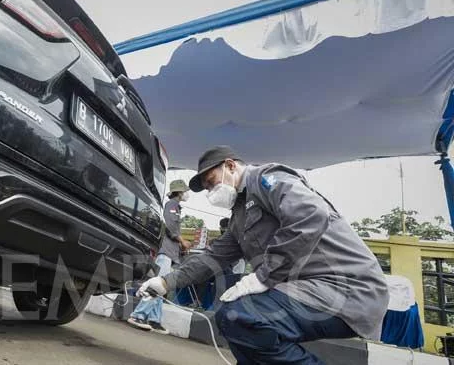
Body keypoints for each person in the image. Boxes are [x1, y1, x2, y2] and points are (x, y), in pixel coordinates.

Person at [138, 146, 389, 364]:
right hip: (311, 288)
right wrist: (165, 282)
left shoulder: (266, 179)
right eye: (205, 188)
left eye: (211, 181)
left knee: (240, 317)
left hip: (347, 288)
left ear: (230, 165)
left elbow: (311, 215)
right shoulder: (239, 216)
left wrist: (262, 277)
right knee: (233, 319)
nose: (210, 190)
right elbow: (211, 258)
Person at [127, 179, 192, 334]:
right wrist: (182, 240)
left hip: (171, 253)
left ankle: (155, 319)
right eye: (185, 191)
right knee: (158, 286)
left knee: (163, 288)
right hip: (166, 252)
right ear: (180, 192)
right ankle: (138, 315)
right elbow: (169, 226)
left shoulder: (175, 206)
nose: (187, 194)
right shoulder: (172, 205)